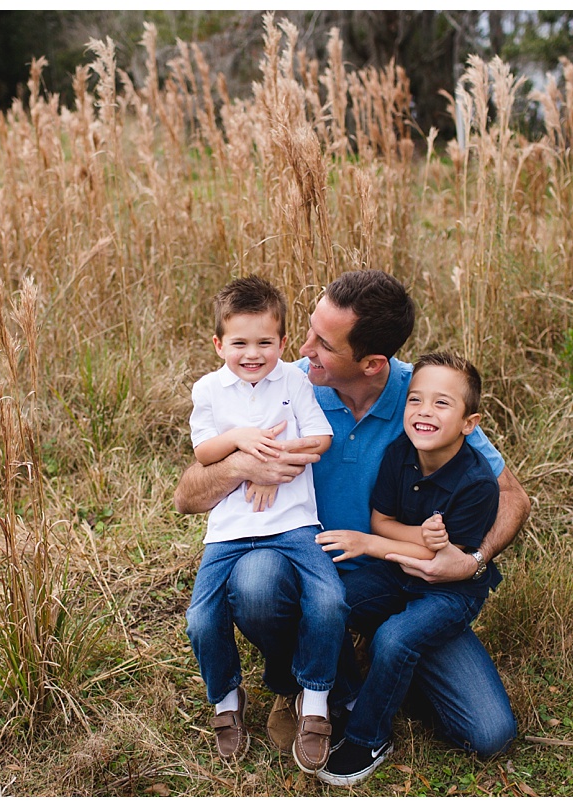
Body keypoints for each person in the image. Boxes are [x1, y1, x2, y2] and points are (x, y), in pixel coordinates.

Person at [173, 270, 530, 771]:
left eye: (322, 342)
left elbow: (512, 495)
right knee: (254, 585)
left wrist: (473, 559)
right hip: (308, 568)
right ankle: (305, 683)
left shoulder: (421, 400)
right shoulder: (286, 382)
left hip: (402, 580)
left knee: (488, 732)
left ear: (372, 363)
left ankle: (367, 660)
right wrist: (242, 462)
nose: (302, 347)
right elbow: (187, 496)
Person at [314, 351, 499, 785]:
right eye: (415, 400)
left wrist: (369, 544)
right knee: (329, 602)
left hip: (449, 593)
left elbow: (442, 561)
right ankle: (349, 701)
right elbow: (383, 520)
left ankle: (370, 737)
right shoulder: (400, 454)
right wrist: (420, 537)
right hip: (398, 575)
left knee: (396, 640)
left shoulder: (477, 484)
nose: (424, 412)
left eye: (441, 403)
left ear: (469, 424)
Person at [184, 275, 346, 773]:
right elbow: (204, 451)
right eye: (239, 343)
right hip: (230, 530)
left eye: (264, 342)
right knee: (200, 618)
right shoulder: (209, 388)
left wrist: (277, 460)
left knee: (330, 598)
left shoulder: (293, 381)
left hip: (294, 523)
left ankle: (314, 701)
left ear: (281, 341)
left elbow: (321, 439)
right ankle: (226, 697)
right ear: (219, 344)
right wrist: (244, 441)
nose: (252, 354)